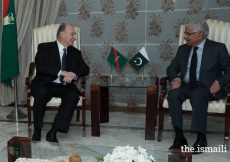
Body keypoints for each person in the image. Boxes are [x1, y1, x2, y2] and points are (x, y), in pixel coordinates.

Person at [167, 19, 230, 154]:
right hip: (187, 85)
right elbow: (172, 68)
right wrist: (176, 79)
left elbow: (229, 70)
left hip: (208, 87)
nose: (185, 37)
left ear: (200, 35)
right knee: (173, 94)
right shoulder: (183, 49)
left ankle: (201, 138)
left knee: (198, 94)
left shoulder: (218, 48)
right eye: (185, 34)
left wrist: (219, 82)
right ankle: (179, 137)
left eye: (188, 34)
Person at [31, 23, 89, 143]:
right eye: (72, 34)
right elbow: (41, 66)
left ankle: (53, 131)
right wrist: (61, 72)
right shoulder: (44, 47)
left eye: (74, 34)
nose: (74, 37)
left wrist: (74, 74)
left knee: (73, 96)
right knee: (41, 93)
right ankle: (37, 129)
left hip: (62, 85)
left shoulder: (75, 52)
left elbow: (85, 69)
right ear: (62, 34)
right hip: (45, 83)